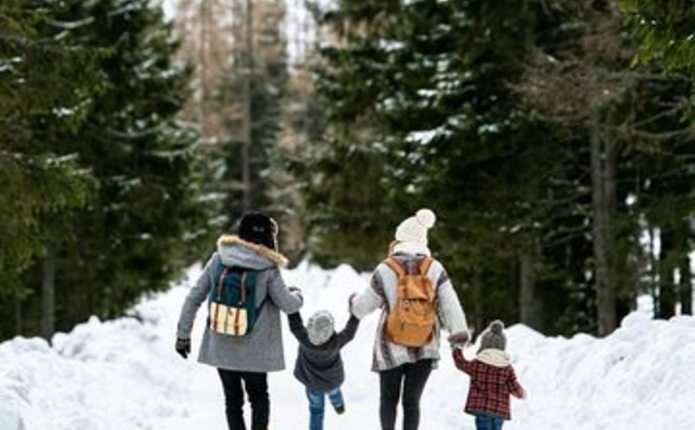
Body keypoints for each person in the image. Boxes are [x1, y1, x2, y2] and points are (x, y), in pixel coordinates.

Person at [175, 212, 303, 430]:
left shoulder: (219, 259)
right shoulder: (267, 267)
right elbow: (288, 304)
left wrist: (183, 335)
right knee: (259, 397)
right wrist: (298, 295)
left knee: (232, 401)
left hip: (222, 347)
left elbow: (194, 297)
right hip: (256, 352)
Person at [351, 208, 469, 430]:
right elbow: (450, 305)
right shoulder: (435, 268)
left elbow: (362, 307)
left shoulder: (385, 268)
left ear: (400, 240)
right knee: (412, 402)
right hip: (425, 345)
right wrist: (459, 335)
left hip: (390, 344)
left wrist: (353, 303)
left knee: (388, 399)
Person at [287, 302, 360, 430]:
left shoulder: (304, 339)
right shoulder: (336, 342)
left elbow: (295, 325)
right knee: (335, 393)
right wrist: (355, 315)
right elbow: (349, 332)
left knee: (316, 410)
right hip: (332, 382)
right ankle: (339, 406)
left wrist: (292, 304)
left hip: (313, 384)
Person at [452, 320, 527, 430]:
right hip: (499, 411)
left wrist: (456, 349)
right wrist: (521, 393)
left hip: (481, 409)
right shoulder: (507, 368)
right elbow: (513, 385)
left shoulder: (478, 364)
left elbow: (461, 364)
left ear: (484, 345)